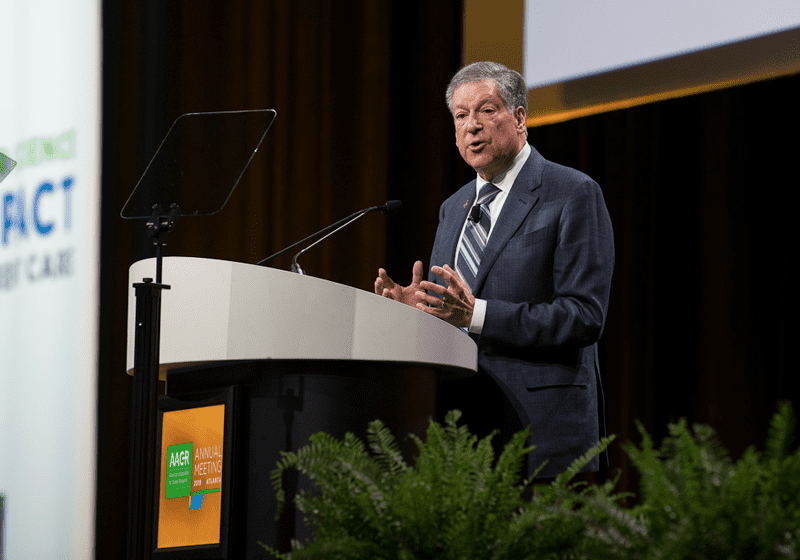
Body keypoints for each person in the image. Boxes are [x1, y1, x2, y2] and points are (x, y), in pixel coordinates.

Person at [374, 61, 614, 479]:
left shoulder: (571, 193)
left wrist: (476, 314)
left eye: (486, 111)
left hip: (543, 433)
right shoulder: (453, 209)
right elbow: (451, 319)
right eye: (461, 116)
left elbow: (583, 316)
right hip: (467, 435)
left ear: (519, 117)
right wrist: (416, 313)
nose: (472, 127)